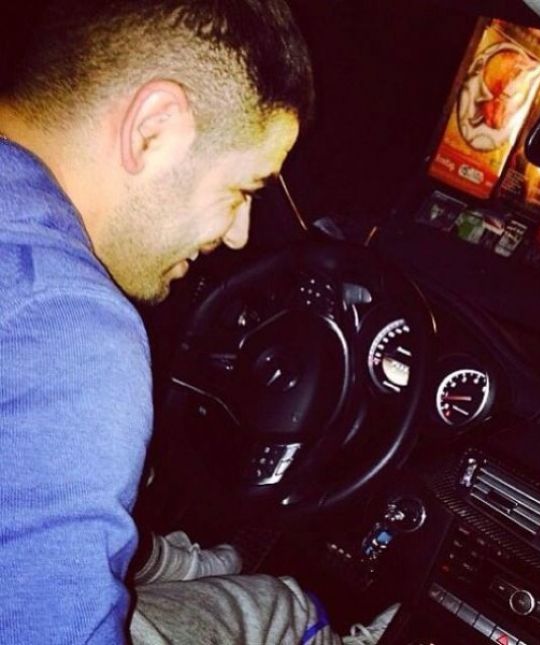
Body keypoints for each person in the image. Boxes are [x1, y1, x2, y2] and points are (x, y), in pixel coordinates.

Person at [0, 0, 398, 643]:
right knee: (281, 606)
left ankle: (190, 566)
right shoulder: (71, 330)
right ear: (153, 130)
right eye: (244, 189)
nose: (238, 235)